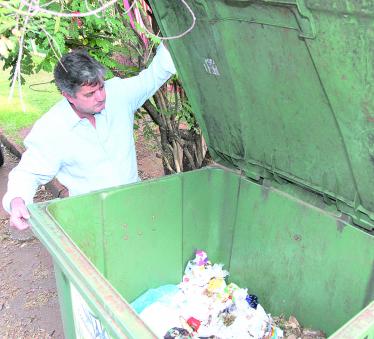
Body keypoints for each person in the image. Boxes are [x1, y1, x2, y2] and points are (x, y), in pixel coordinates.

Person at [3, 43, 176, 230]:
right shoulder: (52, 130)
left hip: (135, 207)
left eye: (101, 87)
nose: (101, 96)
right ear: (68, 96)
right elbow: (28, 173)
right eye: (90, 94)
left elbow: (153, 75)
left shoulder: (118, 94)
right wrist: (17, 201)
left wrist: (173, 39)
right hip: (92, 222)